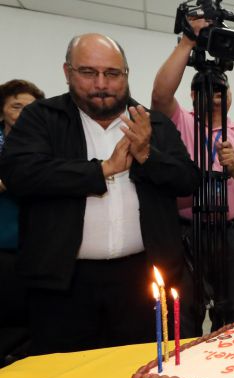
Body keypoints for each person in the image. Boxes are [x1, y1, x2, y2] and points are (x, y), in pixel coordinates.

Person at [0, 34, 199, 354]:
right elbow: (19, 174)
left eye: (112, 74)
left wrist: (147, 154)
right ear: (67, 72)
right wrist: (102, 170)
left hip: (144, 278)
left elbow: (188, 181)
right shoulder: (42, 118)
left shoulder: (153, 123)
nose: (102, 84)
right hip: (62, 284)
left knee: (143, 372)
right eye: (88, 72)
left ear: (126, 75)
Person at [152, 18, 234, 330]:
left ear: (229, 97)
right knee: (185, 311)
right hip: (186, 231)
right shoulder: (180, 121)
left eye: (220, 93)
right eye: (207, 92)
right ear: (192, 95)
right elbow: (160, 96)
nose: (215, 98)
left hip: (230, 232)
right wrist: (187, 43)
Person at [0, 79, 44, 342]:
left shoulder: (47, 144)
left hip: (36, 247)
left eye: (30, 108)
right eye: (16, 106)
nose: (23, 114)